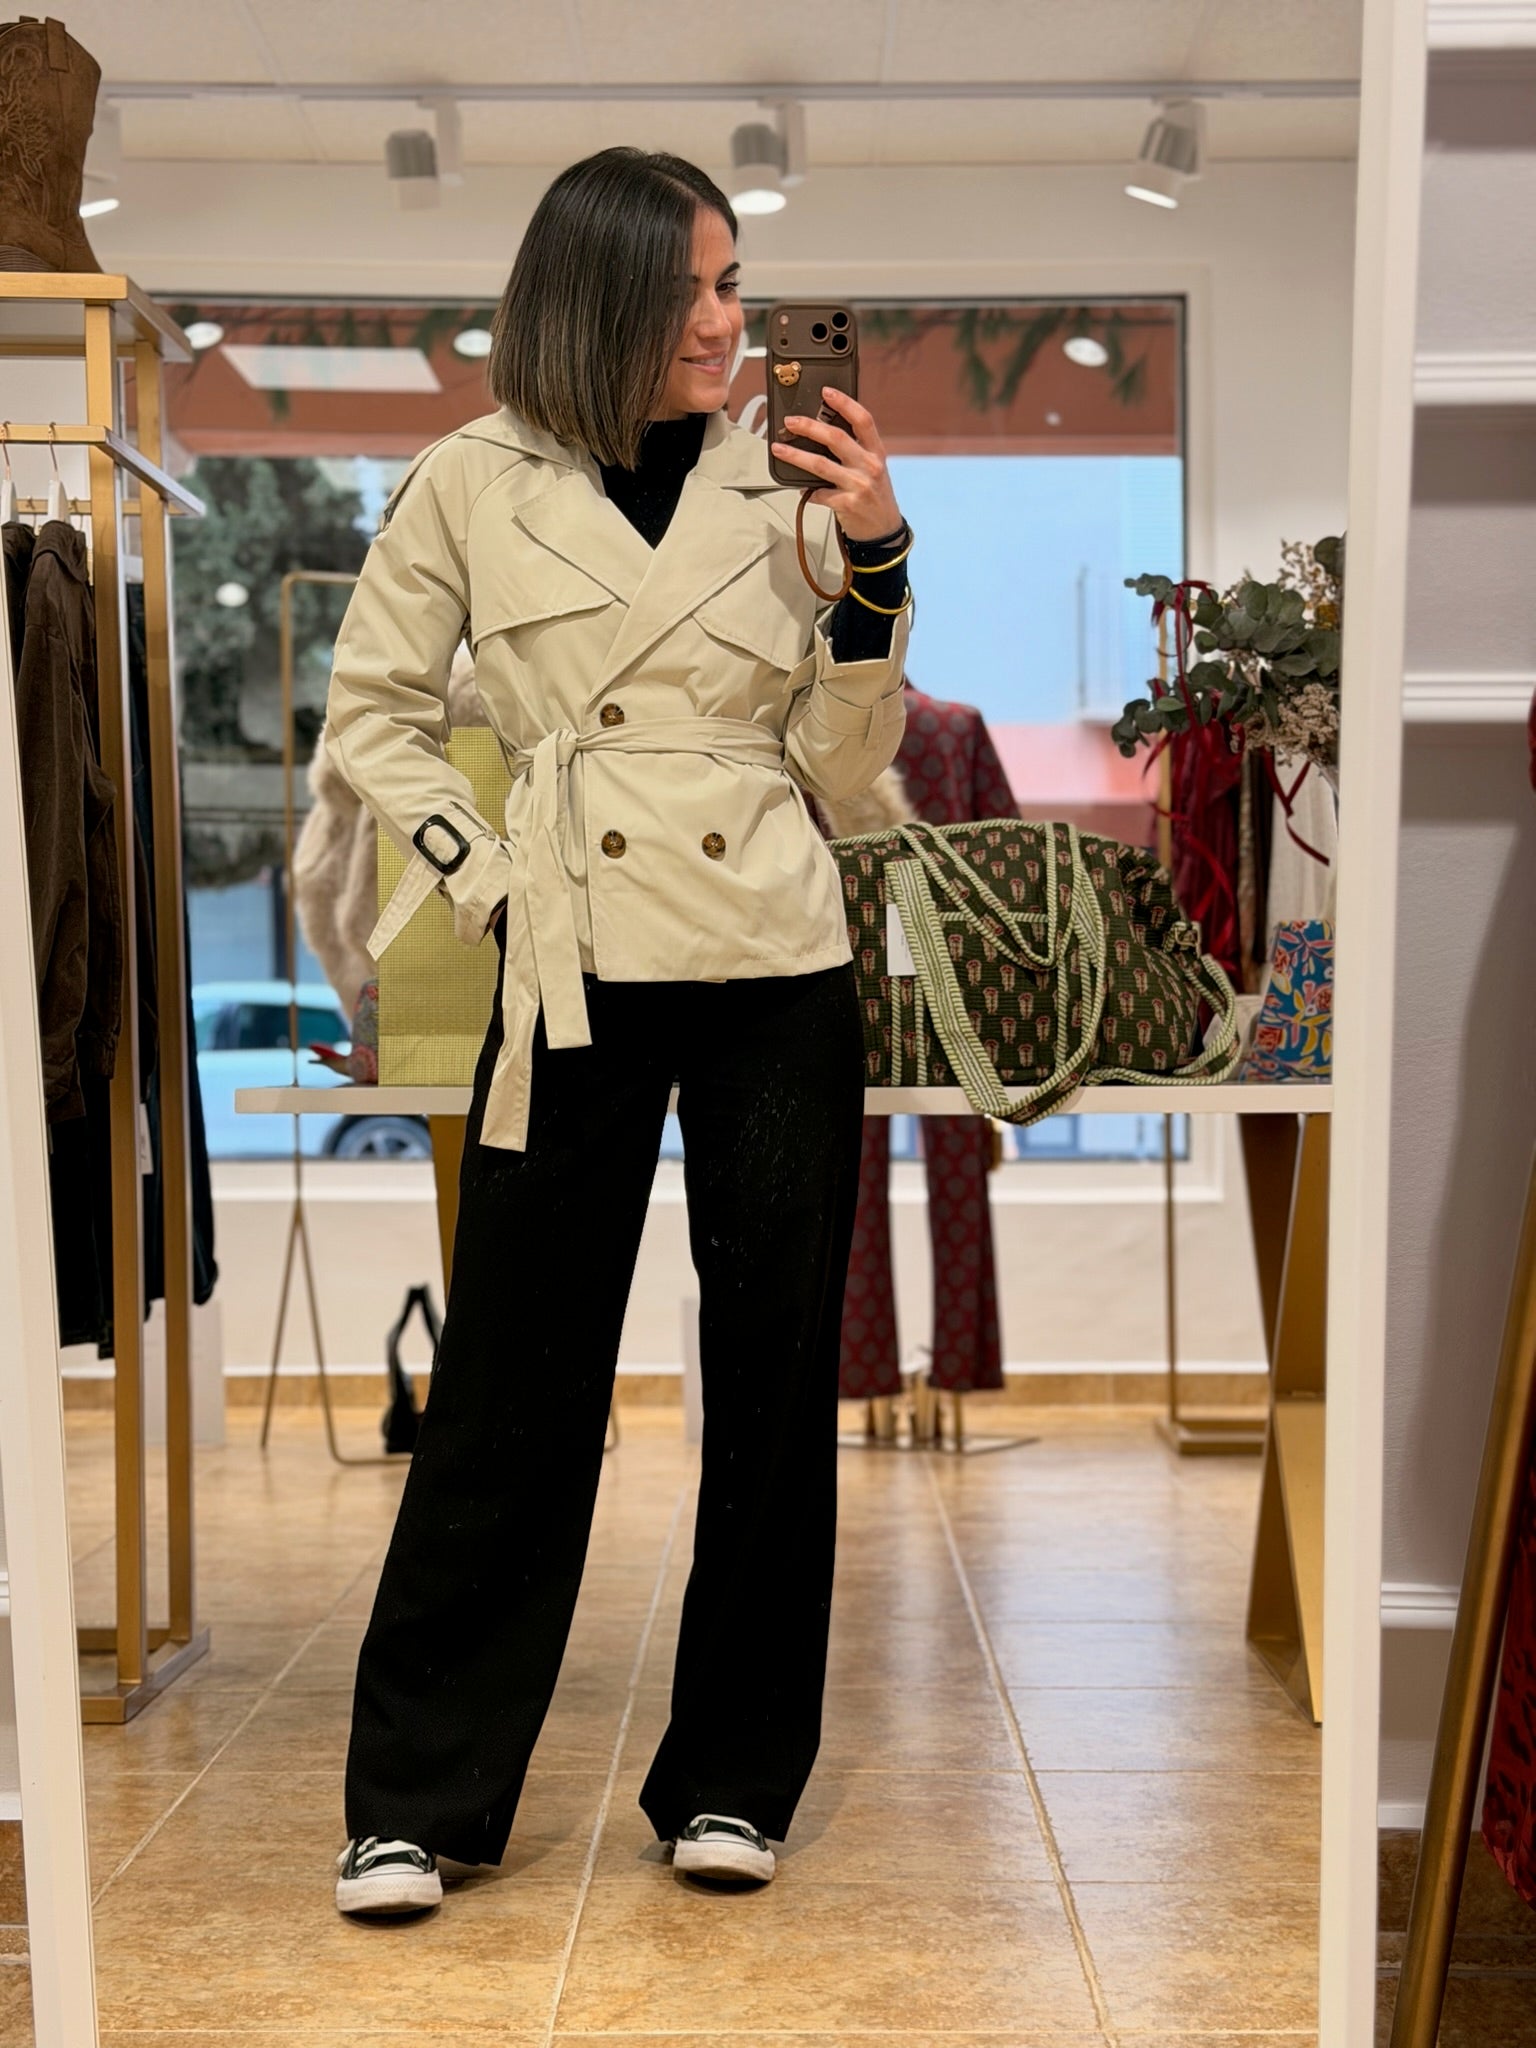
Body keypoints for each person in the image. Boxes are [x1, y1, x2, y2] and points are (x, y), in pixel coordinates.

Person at [323, 145, 913, 1914]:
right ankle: (416, 1799)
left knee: (774, 1381)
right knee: (513, 1373)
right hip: (569, 950)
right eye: (692, 292)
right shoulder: (470, 479)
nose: (728, 323)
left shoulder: (789, 478)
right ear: (598, 300)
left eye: (736, 286)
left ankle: (734, 1780)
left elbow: (840, 768)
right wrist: (493, 876)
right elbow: (375, 718)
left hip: (774, 960)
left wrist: (877, 561)